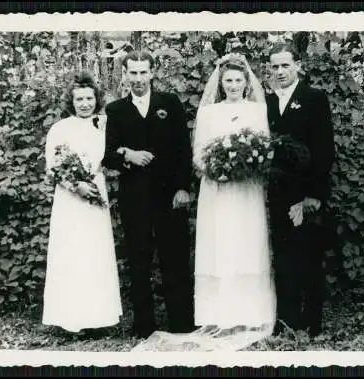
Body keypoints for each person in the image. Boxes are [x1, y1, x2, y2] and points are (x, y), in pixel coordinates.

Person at [131, 53, 276, 352]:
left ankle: (249, 314)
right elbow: (197, 152)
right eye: (228, 81)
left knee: (247, 244)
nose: (233, 85)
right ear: (220, 84)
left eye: (238, 80)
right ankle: (218, 315)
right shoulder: (209, 113)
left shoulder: (258, 110)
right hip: (217, 189)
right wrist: (216, 169)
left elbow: (265, 148)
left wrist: (246, 165)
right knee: (220, 245)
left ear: (247, 83)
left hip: (246, 189)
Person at [101, 50, 194, 339]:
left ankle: (182, 322)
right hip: (135, 198)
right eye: (133, 73)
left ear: (152, 72)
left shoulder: (170, 103)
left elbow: (183, 150)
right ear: (125, 75)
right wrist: (129, 154)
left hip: (169, 197)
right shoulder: (116, 110)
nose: (138, 79)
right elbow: (108, 156)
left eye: (143, 72)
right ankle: (144, 326)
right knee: (139, 262)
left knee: (175, 259)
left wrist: (183, 187)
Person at [43, 71, 123, 335]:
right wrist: (75, 185)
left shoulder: (104, 125)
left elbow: (112, 155)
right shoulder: (60, 128)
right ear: (71, 101)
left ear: (96, 99)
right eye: (80, 99)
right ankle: (71, 320)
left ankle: (99, 319)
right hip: (70, 200)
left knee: (95, 253)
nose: (85, 104)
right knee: (71, 253)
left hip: (95, 196)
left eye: (90, 98)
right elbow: (53, 167)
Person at [265, 43, 336, 338]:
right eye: (275, 67)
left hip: (306, 194)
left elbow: (324, 149)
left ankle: (314, 323)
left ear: (297, 66)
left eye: (285, 65)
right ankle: (289, 321)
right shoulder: (267, 103)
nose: (280, 72)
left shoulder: (314, 99)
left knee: (309, 258)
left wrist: (313, 197)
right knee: (284, 259)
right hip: (278, 193)